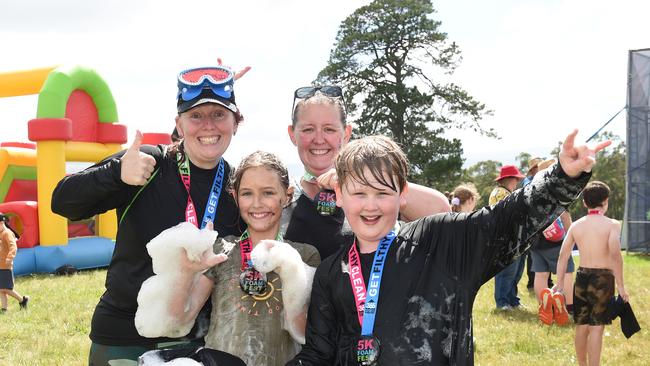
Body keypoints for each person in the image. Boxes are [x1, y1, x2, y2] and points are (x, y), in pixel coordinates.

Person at [288, 130, 609, 365]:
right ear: (340, 195)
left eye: (382, 192)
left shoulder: (440, 243)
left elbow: (506, 221)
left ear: (402, 193)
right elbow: (318, 352)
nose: (370, 206)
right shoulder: (333, 271)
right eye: (359, 193)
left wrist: (562, 175)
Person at [51, 64, 248, 365]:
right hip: (123, 337)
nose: (208, 125)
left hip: (196, 340)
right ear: (179, 125)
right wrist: (115, 173)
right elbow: (63, 202)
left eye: (219, 114)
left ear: (236, 123)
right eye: (196, 115)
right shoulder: (149, 164)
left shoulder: (239, 188)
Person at [154, 151, 321, 366]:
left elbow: (305, 333)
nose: (257, 203)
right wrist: (186, 272)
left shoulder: (304, 255)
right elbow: (179, 320)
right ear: (234, 196)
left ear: (287, 196)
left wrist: (292, 273)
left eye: (268, 193)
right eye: (247, 194)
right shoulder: (220, 250)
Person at [283, 86, 450, 260]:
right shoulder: (282, 197)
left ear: (346, 133)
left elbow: (442, 213)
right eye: (308, 129)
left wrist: (355, 181)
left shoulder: (377, 192)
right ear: (292, 134)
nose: (318, 139)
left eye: (329, 129)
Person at [555, 180, 629, 366]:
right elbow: (615, 255)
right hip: (602, 279)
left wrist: (560, 284)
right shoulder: (612, 225)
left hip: (581, 277)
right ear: (605, 201)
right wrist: (621, 285)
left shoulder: (576, 225)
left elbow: (563, 256)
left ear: (585, 203)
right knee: (596, 328)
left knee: (581, 326)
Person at [530, 159, 574, 325]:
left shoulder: (531, 191)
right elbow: (564, 215)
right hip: (556, 242)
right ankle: (569, 309)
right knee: (567, 273)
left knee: (540, 275)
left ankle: (544, 307)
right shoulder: (556, 190)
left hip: (535, 241)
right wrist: (571, 236)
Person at [489, 164, 525, 310]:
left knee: (515, 271)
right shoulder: (501, 193)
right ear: (510, 179)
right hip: (506, 239)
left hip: (513, 238)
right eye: (516, 179)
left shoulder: (503, 192)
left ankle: (512, 300)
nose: (517, 182)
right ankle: (502, 302)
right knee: (506, 272)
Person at [521, 157, 543, 290]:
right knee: (533, 252)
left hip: (542, 220)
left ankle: (546, 279)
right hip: (532, 222)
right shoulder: (528, 182)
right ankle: (532, 281)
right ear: (533, 169)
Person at [0, 213, 29, 313]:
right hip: (0, 266)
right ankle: (4, 309)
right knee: (1, 289)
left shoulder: (7, 233)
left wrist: (10, 257)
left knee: (7, 289)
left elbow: (13, 247)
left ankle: (23, 300)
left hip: (6, 266)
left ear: (2, 222)